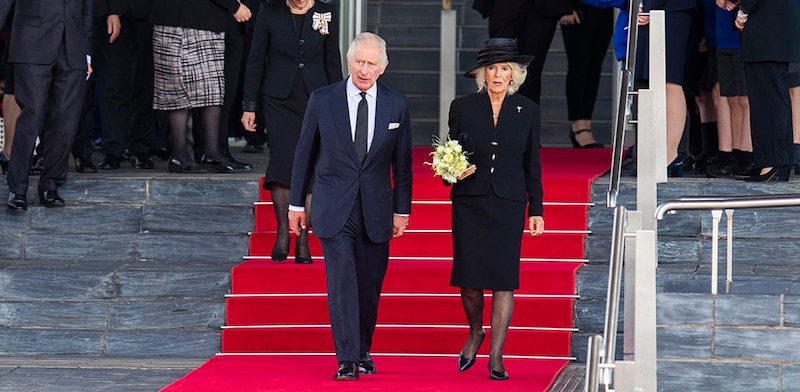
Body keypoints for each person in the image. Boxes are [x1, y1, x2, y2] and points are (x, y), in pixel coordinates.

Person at [287, 32, 412, 381]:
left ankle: (363, 350)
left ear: (383, 67)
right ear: (348, 60)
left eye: (372, 63)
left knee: (369, 286)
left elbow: (402, 165)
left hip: (376, 209)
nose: (365, 69)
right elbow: (303, 156)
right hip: (332, 207)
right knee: (342, 281)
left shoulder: (397, 104)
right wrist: (296, 204)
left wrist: (402, 211)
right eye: (359, 61)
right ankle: (346, 359)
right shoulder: (322, 100)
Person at [446, 38, 545, 381]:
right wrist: (452, 172)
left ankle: (497, 357)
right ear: (482, 74)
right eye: (492, 68)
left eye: (505, 68)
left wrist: (537, 208)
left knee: (504, 281)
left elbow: (533, 163)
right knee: (470, 283)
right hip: (470, 202)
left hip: (509, 203)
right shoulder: (462, 106)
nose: (498, 74)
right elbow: (449, 156)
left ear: (515, 74)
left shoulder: (528, 110)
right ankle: (476, 331)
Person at [242, 0, 342, 264]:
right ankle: (282, 234)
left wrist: (340, 105)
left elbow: (332, 61)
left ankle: (303, 239)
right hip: (278, 99)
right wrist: (249, 106)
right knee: (282, 163)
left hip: (316, 98)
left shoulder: (326, 11)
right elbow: (255, 59)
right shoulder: (269, 10)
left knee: (311, 164)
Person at [0, 0, 93, 210]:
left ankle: (50, 185)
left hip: (73, 48)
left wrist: (86, 52)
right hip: (31, 45)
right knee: (31, 117)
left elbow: (87, 8)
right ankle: (17, 188)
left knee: (66, 122)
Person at [151, 0, 252, 174]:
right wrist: (234, 6)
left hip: (207, 23)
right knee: (178, 92)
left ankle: (211, 154)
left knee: (212, 91)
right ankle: (179, 154)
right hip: (179, 22)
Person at [735, 0, 800, 181]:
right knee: (773, 97)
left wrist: (743, 11)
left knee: (767, 99)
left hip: (768, 28)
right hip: (774, 27)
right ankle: (774, 160)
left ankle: (772, 161)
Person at [472, 0, 572, 105]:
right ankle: (498, 118)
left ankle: (527, 119)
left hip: (542, 8)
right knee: (500, 65)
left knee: (532, 71)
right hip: (503, 6)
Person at [559, 0, 613, 148]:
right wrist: (565, 7)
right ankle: (578, 124)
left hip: (605, 7)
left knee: (594, 67)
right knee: (579, 65)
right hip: (577, 6)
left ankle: (586, 124)